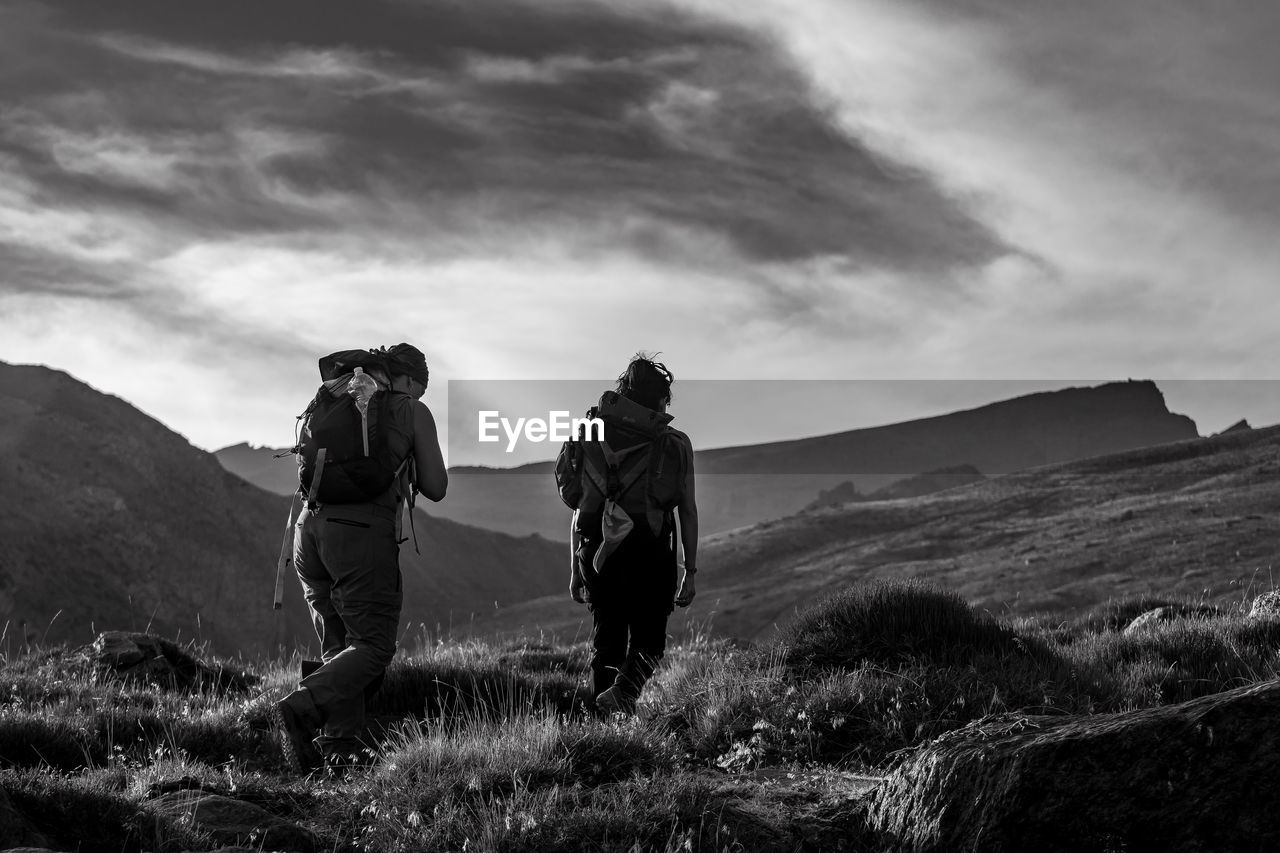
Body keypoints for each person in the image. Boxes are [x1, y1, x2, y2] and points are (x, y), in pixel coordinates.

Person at [272, 343, 447, 774]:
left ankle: (339, 749)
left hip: (307, 528)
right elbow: (437, 486)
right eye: (418, 390)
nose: (417, 399)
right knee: (372, 645)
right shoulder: (408, 409)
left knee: (338, 643)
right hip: (358, 535)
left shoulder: (337, 395)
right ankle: (301, 706)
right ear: (407, 380)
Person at [567, 354, 698, 714]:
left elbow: (580, 506)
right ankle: (622, 696)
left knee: (606, 644)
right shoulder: (674, 443)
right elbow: (686, 508)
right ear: (660, 400)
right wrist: (690, 569)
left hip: (597, 551)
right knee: (650, 642)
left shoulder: (590, 434)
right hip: (650, 551)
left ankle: (600, 728)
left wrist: (575, 569)